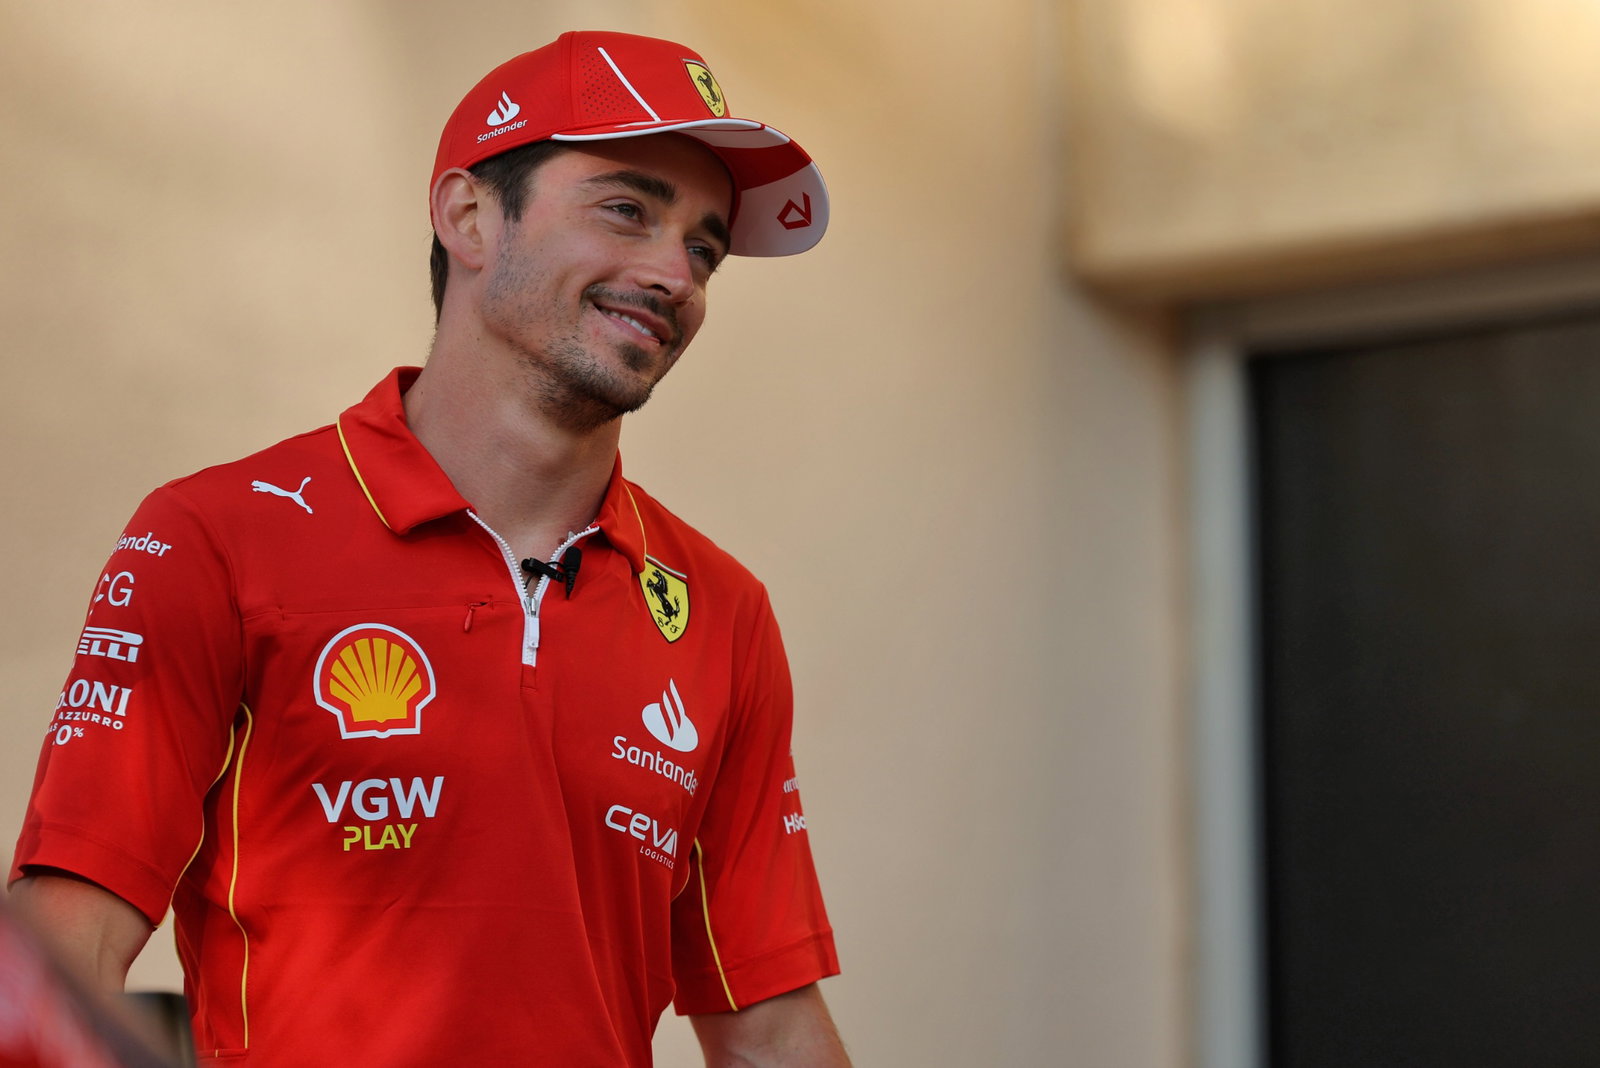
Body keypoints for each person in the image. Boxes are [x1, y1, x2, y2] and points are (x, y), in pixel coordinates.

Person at [9, 29, 847, 1067]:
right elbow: (66, 953)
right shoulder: (217, 537)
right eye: (627, 209)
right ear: (467, 216)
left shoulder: (722, 609)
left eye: (703, 247)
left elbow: (768, 1030)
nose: (673, 272)